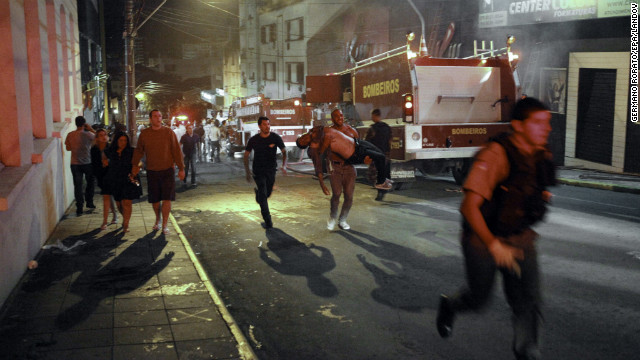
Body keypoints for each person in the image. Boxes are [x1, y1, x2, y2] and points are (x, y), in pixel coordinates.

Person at [436, 97, 555, 360]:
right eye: (538, 123)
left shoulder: (540, 153)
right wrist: (494, 245)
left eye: (547, 122)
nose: (546, 129)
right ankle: (450, 305)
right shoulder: (496, 154)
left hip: (520, 238)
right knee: (478, 299)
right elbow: (469, 207)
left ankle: (528, 353)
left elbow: (538, 186)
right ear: (518, 125)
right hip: (482, 239)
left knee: (528, 302)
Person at [131, 109, 185, 235]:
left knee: (167, 198)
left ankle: (165, 224)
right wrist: (135, 165)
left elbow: (176, 150)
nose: (158, 118)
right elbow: (139, 150)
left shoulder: (168, 132)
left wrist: (181, 168)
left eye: (160, 116)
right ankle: (158, 219)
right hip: (152, 171)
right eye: (155, 116)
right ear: (150, 119)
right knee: (155, 200)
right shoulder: (145, 134)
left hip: (167, 170)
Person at [244, 116, 287, 229]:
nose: (267, 126)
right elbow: (246, 155)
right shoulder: (254, 139)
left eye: (268, 124)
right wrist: (247, 172)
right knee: (263, 193)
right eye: (264, 124)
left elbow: (284, 151)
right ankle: (268, 220)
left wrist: (284, 165)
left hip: (271, 170)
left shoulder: (275, 137)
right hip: (258, 171)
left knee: (267, 194)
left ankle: (258, 196)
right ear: (259, 126)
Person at [105, 132, 142, 233]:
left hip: (128, 178)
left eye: (125, 140)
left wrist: (137, 167)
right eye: (121, 140)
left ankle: (126, 223)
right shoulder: (110, 151)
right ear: (116, 141)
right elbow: (104, 161)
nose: (123, 143)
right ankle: (125, 218)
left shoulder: (131, 151)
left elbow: (139, 161)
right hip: (116, 179)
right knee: (119, 203)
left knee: (127, 202)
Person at [65, 116, 96, 215]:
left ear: (75, 123)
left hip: (75, 164)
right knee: (90, 183)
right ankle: (89, 202)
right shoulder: (89, 134)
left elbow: (68, 148)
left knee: (77, 186)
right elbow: (100, 137)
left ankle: (79, 207)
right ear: (84, 124)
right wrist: (90, 128)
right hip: (87, 162)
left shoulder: (70, 135)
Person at [90, 128, 118, 230]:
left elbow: (115, 162)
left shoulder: (111, 148)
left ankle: (106, 221)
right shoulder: (94, 150)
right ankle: (113, 215)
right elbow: (94, 164)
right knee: (107, 196)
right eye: (101, 135)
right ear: (97, 138)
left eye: (105, 134)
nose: (103, 137)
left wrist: (108, 163)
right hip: (101, 175)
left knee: (108, 196)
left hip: (111, 175)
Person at [365, 108, 392, 201]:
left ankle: (380, 192)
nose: (372, 118)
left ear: (375, 116)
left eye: (372, 116)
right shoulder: (387, 127)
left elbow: (367, 142)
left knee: (374, 174)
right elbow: (389, 140)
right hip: (385, 154)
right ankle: (382, 190)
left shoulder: (372, 128)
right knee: (383, 173)